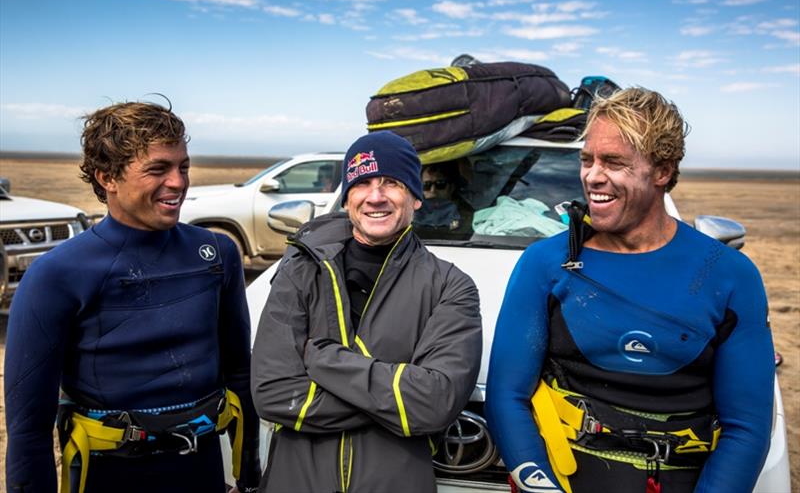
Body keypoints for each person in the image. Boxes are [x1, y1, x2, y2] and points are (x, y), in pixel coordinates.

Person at [485, 88, 774, 493]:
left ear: (662, 171)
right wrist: (540, 486)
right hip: (564, 480)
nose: (592, 175)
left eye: (614, 162)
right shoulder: (545, 264)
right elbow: (506, 396)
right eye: (587, 160)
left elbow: (746, 427)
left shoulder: (729, 275)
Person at [4, 100, 261, 493]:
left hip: (202, 471)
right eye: (158, 169)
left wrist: (249, 476)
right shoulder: (56, 274)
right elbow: (29, 430)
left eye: (183, 166)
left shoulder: (216, 252)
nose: (178, 182)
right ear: (107, 177)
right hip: (111, 476)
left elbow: (240, 377)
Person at [251, 130, 482, 493]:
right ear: (347, 199)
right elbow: (273, 393)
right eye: (362, 184)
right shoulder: (301, 270)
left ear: (416, 198)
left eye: (391, 183)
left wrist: (323, 360)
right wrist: (398, 407)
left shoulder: (450, 286)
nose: (376, 197)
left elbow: (436, 403)